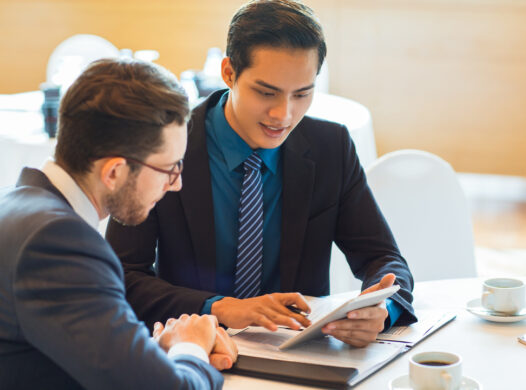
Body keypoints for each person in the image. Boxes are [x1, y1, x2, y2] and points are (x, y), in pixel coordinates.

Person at [106, 0, 417, 348]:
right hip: (190, 349)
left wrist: (382, 310)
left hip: (302, 356)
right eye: (266, 92)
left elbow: (384, 258)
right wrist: (220, 308)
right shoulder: (162, 144)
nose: (283, 114)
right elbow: (121, 277)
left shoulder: (331, 146)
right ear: (228, 73)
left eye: (302, 94)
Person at [0, 58, 237, 389]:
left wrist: (150, 352)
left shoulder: (19, 206)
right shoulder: (58, 242)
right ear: (114, 172)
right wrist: (191, 344)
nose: (177, 184)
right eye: (170, 168)